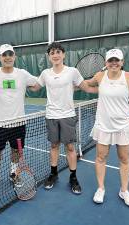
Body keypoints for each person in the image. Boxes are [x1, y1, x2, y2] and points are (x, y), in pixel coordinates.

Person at [87, 48, 129, 207]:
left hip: (123, 125)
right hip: (103, 125)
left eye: (117, 60)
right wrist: (71, 82)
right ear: (106, 63)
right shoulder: (100, 76)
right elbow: (86, 85)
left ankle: (124, 191)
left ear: (122, 62)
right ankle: (101, 188)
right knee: (101, 158)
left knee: (124, 159)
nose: (114, 63)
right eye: (111, 60)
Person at [31, 42, 97, 194]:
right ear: (49, 57)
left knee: (70, 147)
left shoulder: (72, 71)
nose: (55, 55)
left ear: (63, 54)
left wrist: (103, 88)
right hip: (51, 115)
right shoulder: (45, 74)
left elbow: (85, 87)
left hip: (67, 115)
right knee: (54, 145)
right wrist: (17, 82)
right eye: (52, 52)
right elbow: (35, 87)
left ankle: (73, 177)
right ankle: (53, 174)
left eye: (58, 52)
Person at [0, 44, 38, 191]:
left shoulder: (23, 74)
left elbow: (37, 84)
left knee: (16, 150)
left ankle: (13, 173)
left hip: (19, 123)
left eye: (10, 54)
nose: (7, 57)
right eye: (4, 55)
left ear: (14, 56)